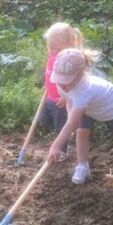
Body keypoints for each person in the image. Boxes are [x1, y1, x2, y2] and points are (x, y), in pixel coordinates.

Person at [46, 47, 113, 184]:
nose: (61, 84)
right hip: (83, 107)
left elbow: (72, 122)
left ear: (80, 75)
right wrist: (70, 114)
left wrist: (56, 145)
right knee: (81, 133)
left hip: (106, 106)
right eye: (59, 79)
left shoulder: (85, 90)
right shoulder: (62, 84)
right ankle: (82, 166)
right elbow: (69, 101)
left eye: (66, 80)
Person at [39, 22, 84, 161]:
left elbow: (78, 82)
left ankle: (62, 152)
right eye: (51, 47)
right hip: (49, 97)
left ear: (70, 44)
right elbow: (49, 74)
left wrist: (66, 98)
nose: (53, 51)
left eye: (57, 48)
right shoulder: (53, 55)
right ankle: (66, 133)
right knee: (43, 119)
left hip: (61, 101)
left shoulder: (72, 59)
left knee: (61, 126)